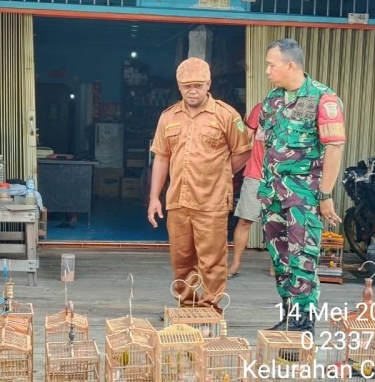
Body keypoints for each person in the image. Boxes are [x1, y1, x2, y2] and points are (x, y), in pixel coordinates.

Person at [148, 57, 252, 310]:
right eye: (186, 86)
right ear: (178, 86)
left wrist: (220, 174)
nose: (192, 91)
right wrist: (154, 198)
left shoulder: (227, 115)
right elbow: (161, 157)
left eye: (197, 85)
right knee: (181, 259)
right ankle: (187, 307)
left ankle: (210, 310)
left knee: (212, 261)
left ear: (208, 84)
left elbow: (242, 151)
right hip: (178, 201)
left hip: (212, 201)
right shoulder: (168, 117)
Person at [259, 38, 346, 335]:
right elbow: (262, 141)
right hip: (273, 195)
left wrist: (325, 195)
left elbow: (334, 148)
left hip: (304, 196)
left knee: (302, 259)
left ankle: (303, 324)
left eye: (272, 65)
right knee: (279, 258)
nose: (268, 70)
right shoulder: (273, 99)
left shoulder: (324, 99)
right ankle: (288, 317)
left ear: (290, 65)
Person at [228, 102, 274, 279]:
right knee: (245, 221)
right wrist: (231, 166)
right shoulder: (261, 109)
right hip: (255, 174)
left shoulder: (295, 112)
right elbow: (244, 138)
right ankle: (235, 264)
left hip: (281, 178)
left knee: (278, 225)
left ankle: (275, 265)